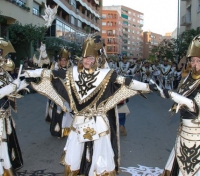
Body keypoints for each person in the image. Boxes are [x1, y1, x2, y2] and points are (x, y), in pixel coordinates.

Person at [20, 34, 154, 176]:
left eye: (90, 58)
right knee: (76, 152)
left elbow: (126, 82)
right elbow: (51, 73)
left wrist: (149, 87)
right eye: (84, 58)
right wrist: (30, 72)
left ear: (96, 59)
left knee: (99, 154)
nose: (86, 61)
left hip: (98, 121)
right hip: (79, 120)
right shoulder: (73, 73)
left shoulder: (107, 75)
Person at [157, 34, 200, 176]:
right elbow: (180, 98)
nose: (196, 64)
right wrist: (166, 94)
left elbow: (194, 106)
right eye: (193, 60)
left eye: (199, 61)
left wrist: (173, 95)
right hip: (184, 132)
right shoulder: (188, 77)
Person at [0, 38, 29, 176]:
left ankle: (6, 168)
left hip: (5, 113)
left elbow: (11, 90)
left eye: (1, 54)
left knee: (5, 142)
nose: (1, 57)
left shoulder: (4, 73)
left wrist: (19, 86)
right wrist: (12, 86)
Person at [45, 48, 73, 138]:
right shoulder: (55, 71)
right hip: (57, 96)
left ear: (67, 61)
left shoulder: (71, 71)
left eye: (65, 60)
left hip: (67, 97)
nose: (63, 62)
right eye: (61, 60)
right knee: (57, 113)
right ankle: (56, 132)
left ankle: (65, 131)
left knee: (67, 114)